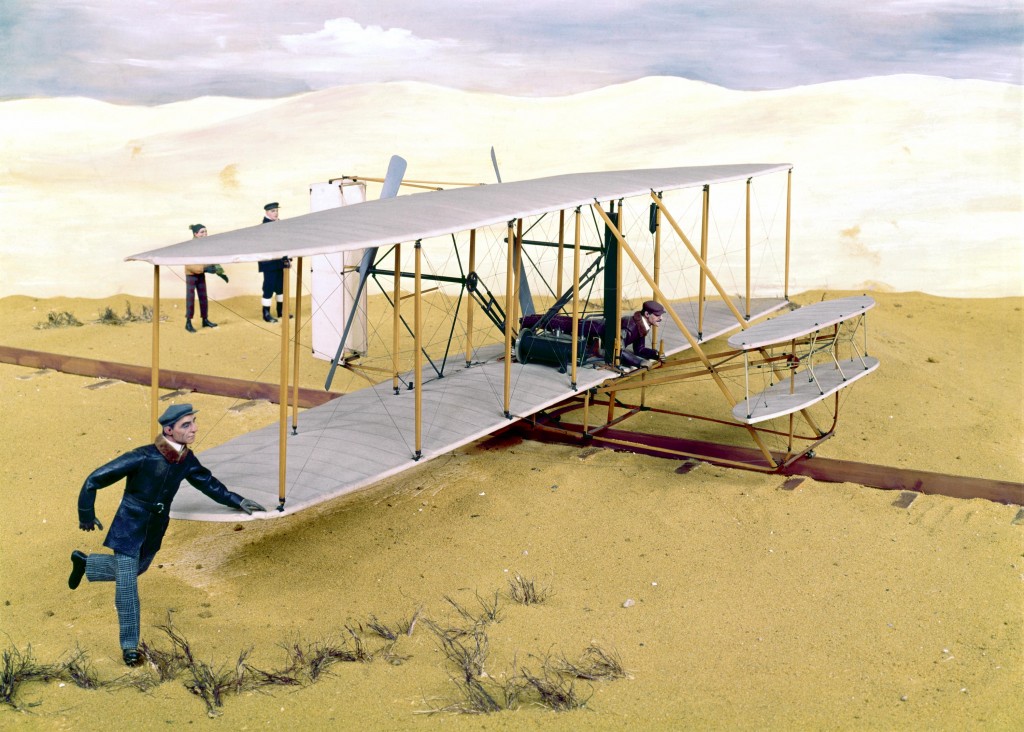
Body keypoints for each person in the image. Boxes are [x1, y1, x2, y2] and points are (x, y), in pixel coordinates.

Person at [68, 404, 266, 666]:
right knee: (127, 589)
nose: (194, 428)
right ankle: (129, 646)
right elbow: (95, 478)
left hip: (154, 529)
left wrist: (237, 500)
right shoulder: (142, 457)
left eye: (194, 422)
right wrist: (85, 513)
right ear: (168, 430)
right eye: (186, 425)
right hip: (129, 526)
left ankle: (88, 563)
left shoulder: (186, 460)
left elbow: (208, 483)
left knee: (137, 568)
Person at [183, 224, 227, 332]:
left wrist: (217, 269)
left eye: (206, 231)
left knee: (203, 297)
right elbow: (189, 263)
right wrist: (205, 269)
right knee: (190, 299)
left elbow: (208, 259)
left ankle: (205, 319)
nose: (205, 234)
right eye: (202, 232)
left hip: (201, 274)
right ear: (195, 234)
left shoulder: (205, 245)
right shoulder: (190, 246)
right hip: (191, 275)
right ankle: (188, 322)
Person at [257, 202, 290, 323]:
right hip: (269, 263)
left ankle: (280, 311)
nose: (275, 213)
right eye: (273, 211)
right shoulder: (264, 227)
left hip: (280, 261)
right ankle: (266, 313)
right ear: (267, 213)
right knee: (268, 287)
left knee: (280, 287)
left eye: (276, 210)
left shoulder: (279, 225)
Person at [619, 300, 665, 368]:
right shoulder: (629, 328)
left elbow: (639, 349)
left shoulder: (641, 325)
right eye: (657, 315)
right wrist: (639, 362)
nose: (661, 318)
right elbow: (617, 350)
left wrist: (656, 354)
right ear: (647, 314)